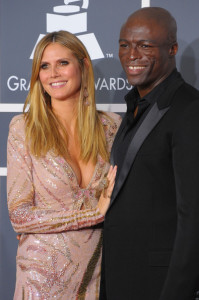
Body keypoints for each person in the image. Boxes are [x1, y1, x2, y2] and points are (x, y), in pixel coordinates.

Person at [7, 30, 121, 300]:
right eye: (44, 66)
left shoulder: (111, 126)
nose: (53, 73)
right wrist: (93, 214)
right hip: (42, 279)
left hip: (100, 273)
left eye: (63, 63)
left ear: (83, 65)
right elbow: (19, 215)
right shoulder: (24, 129)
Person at [100, 7, 199, 300]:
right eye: (124, 45)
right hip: (120, 278)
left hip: (160, 284)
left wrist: (176, 292)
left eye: (145, 45)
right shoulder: (134, 108)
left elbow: (193, 215)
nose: (132, 55)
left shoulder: (189, 109)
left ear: (172, 48)